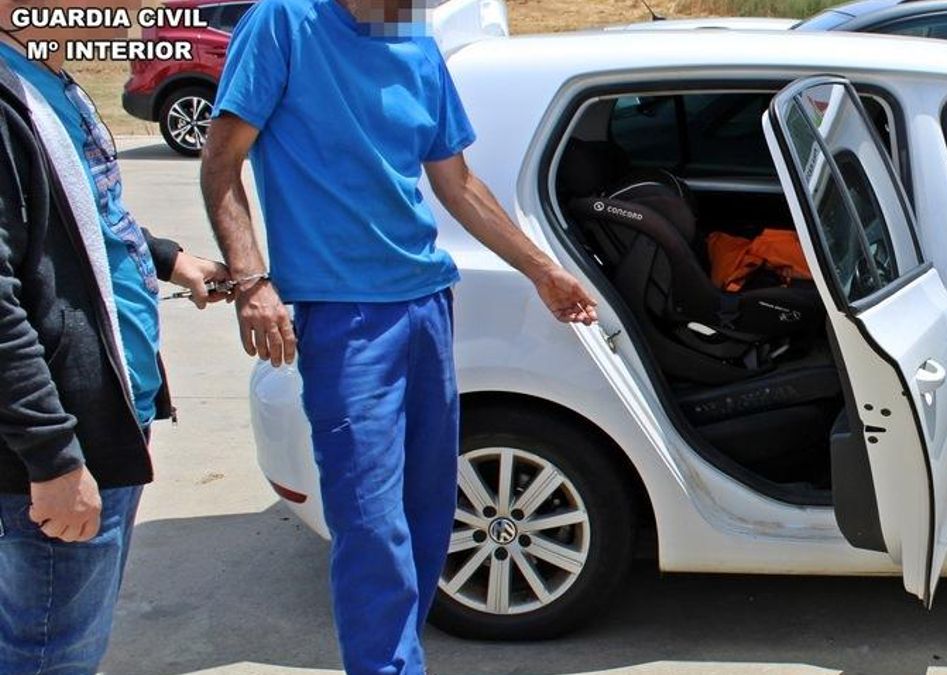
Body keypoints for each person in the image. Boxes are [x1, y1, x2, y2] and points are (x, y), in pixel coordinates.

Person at [200, 0, 598, 672]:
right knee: (370, 524)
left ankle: (396, 657)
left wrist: (543, 271)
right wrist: (249, 280)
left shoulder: (414, 44)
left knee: (427, 514)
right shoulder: (283, 23)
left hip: (426, 305)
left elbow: (459, 182)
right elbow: (221, 159)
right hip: (344, 317)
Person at [0, 1, 233, 672]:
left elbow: (86, 219)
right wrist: (53, 461)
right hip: (56, 449)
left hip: (100, 421)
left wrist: (168, 258)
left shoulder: (49, 80)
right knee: (49, 651)